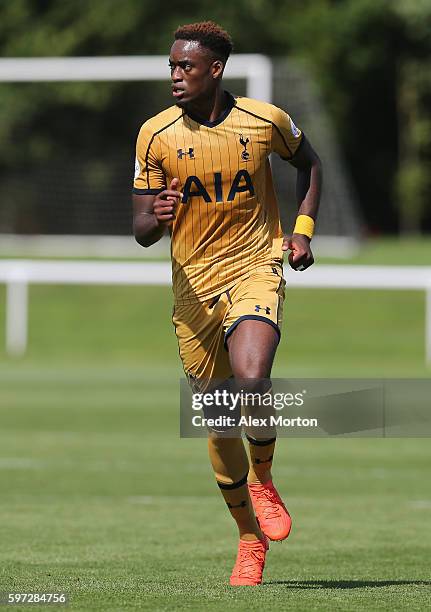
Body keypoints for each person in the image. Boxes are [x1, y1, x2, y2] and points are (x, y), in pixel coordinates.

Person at [132, 21, 322, 586]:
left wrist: (303, 230)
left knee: (254, 376)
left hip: (254, 267)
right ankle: (247, 538)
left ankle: (263, 478)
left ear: (214, 69)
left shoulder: (266, 121)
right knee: (217, 422)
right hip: (192, 287)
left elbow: (309, 165)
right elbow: (140, 228)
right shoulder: (154, 135)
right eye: (171, 66)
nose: (174, 76)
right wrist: (156, 218)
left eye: (184, 67)